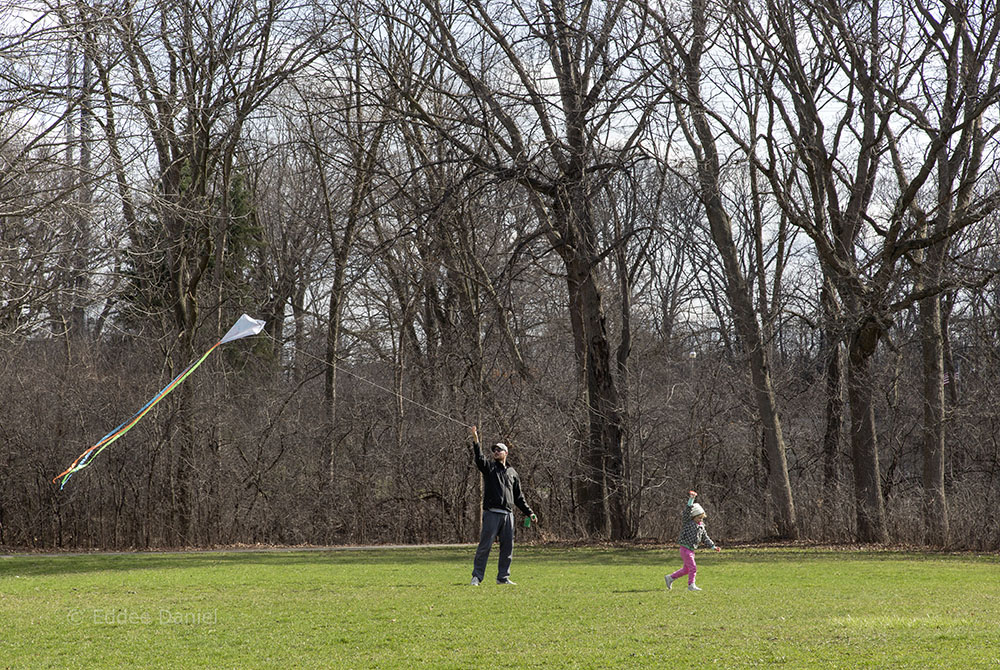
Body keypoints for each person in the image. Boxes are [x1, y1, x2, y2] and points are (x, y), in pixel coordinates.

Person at [467, 425, 537, 585]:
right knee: (485, 546)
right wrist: (475, 439)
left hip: (508, 515)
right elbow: (479, 458)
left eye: (499, 450)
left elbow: (519, 497)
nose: (496, 452)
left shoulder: (513, 473)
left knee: (507, 548)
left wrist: (529, 512)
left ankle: (503, 578)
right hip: (491, 513)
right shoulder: (489, 468)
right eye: (494, 450)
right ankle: (477, 577)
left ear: (506, 453)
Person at [665, 490, 720, 592]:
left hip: (691, 550)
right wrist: (691, 499)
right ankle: (691, 585)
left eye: (702, 518)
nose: (700, 520)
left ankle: (670, 578)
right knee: (693, 568)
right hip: (685, 549)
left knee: (686, 569)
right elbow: (687, 511)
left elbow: (705, 538)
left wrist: (713, 546)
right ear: (693, 517)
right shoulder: (688, 522)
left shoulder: (701, 527)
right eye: (699, 518)